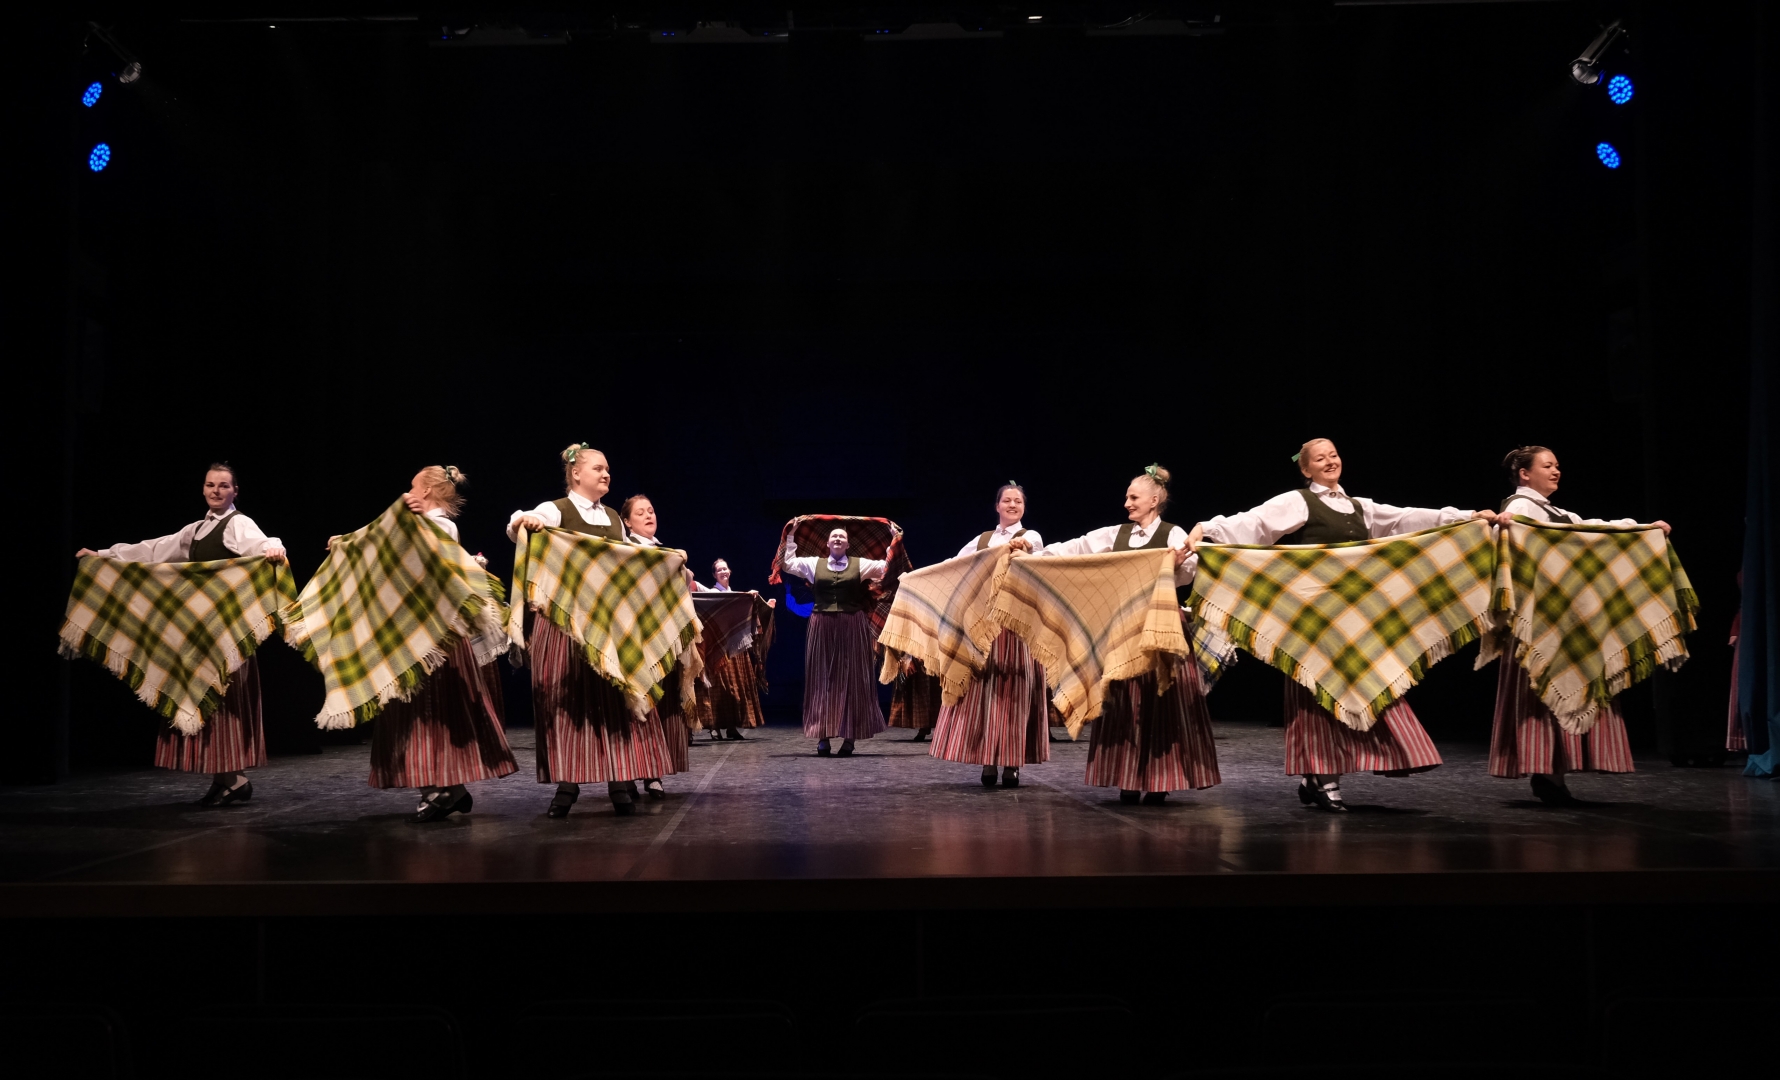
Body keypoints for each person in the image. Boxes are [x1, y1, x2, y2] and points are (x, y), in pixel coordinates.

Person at [1191, 439, 1496, 812]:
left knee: (1367, 684)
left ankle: (1315, 777)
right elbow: (1255, 523)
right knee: (1319, 695)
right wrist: (1208, 528)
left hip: (1355, 620)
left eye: (1333, 455)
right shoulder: (1299, 501)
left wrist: (1465, 517)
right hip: (1314, 620)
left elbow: (1406, 518)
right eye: (1320, 458)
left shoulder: (1360, 507)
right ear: (1306, 469)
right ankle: (1325, 778)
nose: (1329, 461)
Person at [77, 462, 286, 807]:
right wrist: (102, 555)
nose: (216, 491)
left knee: (222, 703)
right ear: (203, 488)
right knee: (204, 702)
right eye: (210, 485)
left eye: (223, 486)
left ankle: (236, 779)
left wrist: (275, 547)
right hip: (201, 634)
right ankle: (226, 780)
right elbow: (153, 549)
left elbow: (264, 543)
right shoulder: (197, 530)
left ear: (235, 491)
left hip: (227, 635)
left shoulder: (239, 523)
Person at [1009, 465, 1218, 804]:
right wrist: (1033, 554)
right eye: (1127, 497)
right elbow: (1076, 548)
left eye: (1133, 498)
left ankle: (1159, 779)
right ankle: (1128, 777)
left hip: (1161, 628)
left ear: (1154, 501)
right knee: (1125, 703)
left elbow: (1189, 573)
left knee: (1161, 702)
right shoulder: (1116, 535)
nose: (1127, 503)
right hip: (1124, 631)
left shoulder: (1173, 535)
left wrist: (1177, 565)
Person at [1489, 446, 1670, 804]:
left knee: (1567, 688)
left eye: (1557, 465)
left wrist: (1642, 530)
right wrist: (1505, 530)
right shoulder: (1520, 508)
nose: (1556, 471)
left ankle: (1553, 775)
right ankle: (1546, 773)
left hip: (1561, 619)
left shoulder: (1555, 512)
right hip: (1540, 622)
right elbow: (1503, 549)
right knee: (1544, 692)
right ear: (1525, 474)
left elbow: (1595, 531)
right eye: (1547, 465)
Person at [510, 444, 678, 817]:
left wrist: (668, 562)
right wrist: (527, 522)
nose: (606, 474)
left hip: (607, 625)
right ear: (576, 473)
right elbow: (517, 523)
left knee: (612, 701)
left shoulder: (615, 519)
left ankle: (619, 781)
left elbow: (630, 561)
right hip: (566, 626)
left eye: (608, 470)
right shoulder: (557, 510)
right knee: (567, 703)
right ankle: (567, 786)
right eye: (598, 468)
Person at [350, 466, 518, 823]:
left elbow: (417, 560)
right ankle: (449, 791)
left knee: (430, 710)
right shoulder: (421, 524)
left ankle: (438, 789)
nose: (408, 492)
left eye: (413, 486)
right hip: (418, 632)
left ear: (426, 491)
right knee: (422, 710)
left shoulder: (441, 525)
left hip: (434, 637)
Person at [931, 482, 1050, 788]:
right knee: (985, 691)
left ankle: (1011, 762)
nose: (1012, 505)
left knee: (1014, 689)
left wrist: (1020, 548)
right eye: (1007, 501)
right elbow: (956, 565)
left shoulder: (1031, 536)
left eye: (1018, 501)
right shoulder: (983, 539)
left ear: (1023, 507)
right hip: (985, 625)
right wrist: (923, 577)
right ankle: (988, 759)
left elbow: (1034, 553)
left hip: (1016, 624)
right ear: (997, 506)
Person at [780, 524, 889, 756]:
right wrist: (790, 535)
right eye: (834, 536)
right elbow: (787, 564)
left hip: (852, 624)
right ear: (827, 543)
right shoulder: (814, 564)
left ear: (848, 544)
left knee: (854, 678)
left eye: (842, 536)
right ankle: (823, 736)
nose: (838, 539)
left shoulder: (860, 564)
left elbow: (887, 567)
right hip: (822, 624)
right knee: (822, 678)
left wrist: (894, 539)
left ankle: (850, 738)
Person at [620, 493, 690, 797]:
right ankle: (632, 772)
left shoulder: (665, 551)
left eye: (651, 510)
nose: (649, 515)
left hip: (663, 635)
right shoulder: (625, 549)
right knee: (638, 702)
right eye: (640, 513)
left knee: (660, 702)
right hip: (636, 635)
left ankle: (653, 771)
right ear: (627, 521)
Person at [701, 558, 773, 740]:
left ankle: (732, 727)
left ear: (730, 571)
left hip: (736, 649)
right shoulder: (712, 594)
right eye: (719, 570)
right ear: (714, 575)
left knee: (734, 690)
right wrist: (745, 596)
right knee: (719, 688)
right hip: (720, 649)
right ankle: (715, 727)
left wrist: (756, 601)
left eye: (725, 569)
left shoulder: (735, 595)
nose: (723, 572)